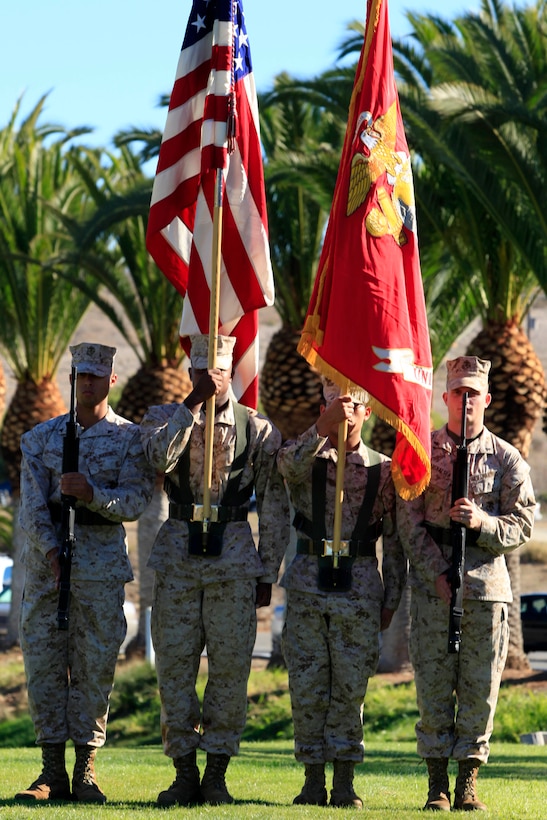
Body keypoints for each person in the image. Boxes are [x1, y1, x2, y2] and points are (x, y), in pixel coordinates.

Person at [140, 334, 289, 807]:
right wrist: (191, 406)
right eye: (201, 369)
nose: (211, 377)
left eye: (219, 370)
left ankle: (217, 773)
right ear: (190, 372)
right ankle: (184, 772)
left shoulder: (257, 430)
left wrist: (267, 571)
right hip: (179, 561)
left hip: (233, 564)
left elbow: (273, 505)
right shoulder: (164, 417)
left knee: (229, 672)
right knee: (175, 671)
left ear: (232, 372)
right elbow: (157, 460)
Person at [16, 342, 155, 804]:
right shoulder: (40, 439)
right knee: (44, 667)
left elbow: (135, 502)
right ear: (72, 379)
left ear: (112, 379)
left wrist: (91, 493)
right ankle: (50, 771)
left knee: (95, 669)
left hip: (100, 569)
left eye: (96, 376)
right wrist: (53, 552)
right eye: (80, 376)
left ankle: (85, 770)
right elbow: (32, 508)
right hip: (48, 571)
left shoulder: (131, 439)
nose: (87, 383)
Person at [397, 355, 536, 811]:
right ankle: (436, 784)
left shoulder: (506, 457)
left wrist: (484, 523)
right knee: (434, 686)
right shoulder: (423, 451)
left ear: (488, 399)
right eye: (459, 391)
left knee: (480, 688)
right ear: (446, 397)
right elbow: (408, 519)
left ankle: (467, 783)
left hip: (485, 589)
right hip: (434, 586)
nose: (467, 399)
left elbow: (523, 523)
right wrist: (433, 570)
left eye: (474, 392)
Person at [276, 378, 406, 809]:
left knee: (351, 688)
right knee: (308, 686)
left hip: (359, 587)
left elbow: (396, 542)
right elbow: (285, 467)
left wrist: (391, 599)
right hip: (308, 585)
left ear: (368, 413)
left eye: (352, 405)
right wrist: (320, 428)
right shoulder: (305, 458)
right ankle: (313, 779)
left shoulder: (382, 470)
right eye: (335, 403)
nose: (345, 411)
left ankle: (345, 780)